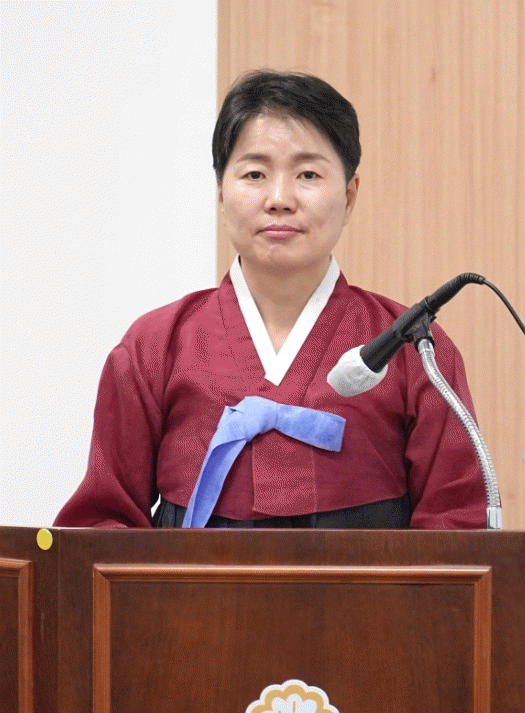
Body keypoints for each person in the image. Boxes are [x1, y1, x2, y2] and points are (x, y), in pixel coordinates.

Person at [53, 69, 487, 530]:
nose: (279, 199)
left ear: (349, 196)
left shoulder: (417, 350)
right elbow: (102, 530)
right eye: (255, 174)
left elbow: (456, 531)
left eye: (307, 174)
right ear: (222, 194)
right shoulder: (153, 346)